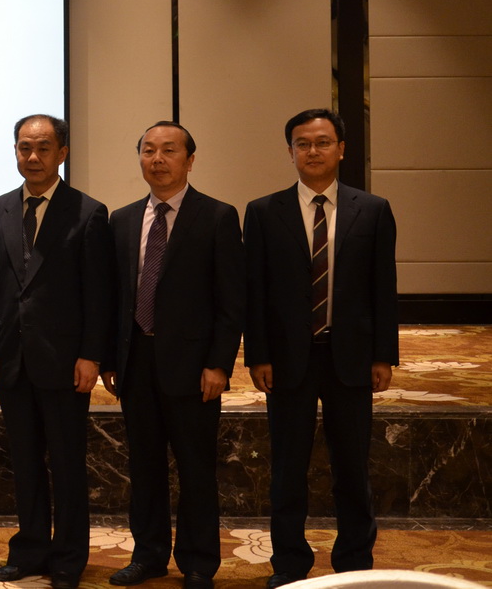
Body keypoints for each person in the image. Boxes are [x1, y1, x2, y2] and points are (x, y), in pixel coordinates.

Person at [244, 109, 398, 586]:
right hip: (287, 360)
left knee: (351, 466)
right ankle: (289, 564)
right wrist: (258, 355)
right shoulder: (263, 211)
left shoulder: (372, 209)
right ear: (290, 151)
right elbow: (255, 291)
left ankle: (354, 562)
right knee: (287, 468)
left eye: (323, 142)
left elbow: (383, 288)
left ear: (341, 149)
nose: (313, 151)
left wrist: (383, 355)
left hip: (350, 358)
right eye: (303, 144)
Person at [102, 121, 244, 589]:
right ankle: (148, 556)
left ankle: (199, 563)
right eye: (148, 150)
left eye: (169, 150)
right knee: (144, 468)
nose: (157, 159)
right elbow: (114, 297)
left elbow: (231, 301)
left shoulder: (218, 216)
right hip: (136, 362)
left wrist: (219, 364)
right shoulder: (123, 219)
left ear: (190, 160)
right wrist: (110, 359)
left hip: (194, 367)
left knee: (196, 469)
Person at [0, 114, 113, 589]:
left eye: (43, 148)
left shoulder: (88, 212)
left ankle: (69, 559)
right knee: (25, 462)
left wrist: (92, 355)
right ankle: (30, 550)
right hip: (11, 358)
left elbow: (98, 293)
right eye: (24, 148)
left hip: (65, 360)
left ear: (62, 153)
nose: (32, 157)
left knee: (68, 465)